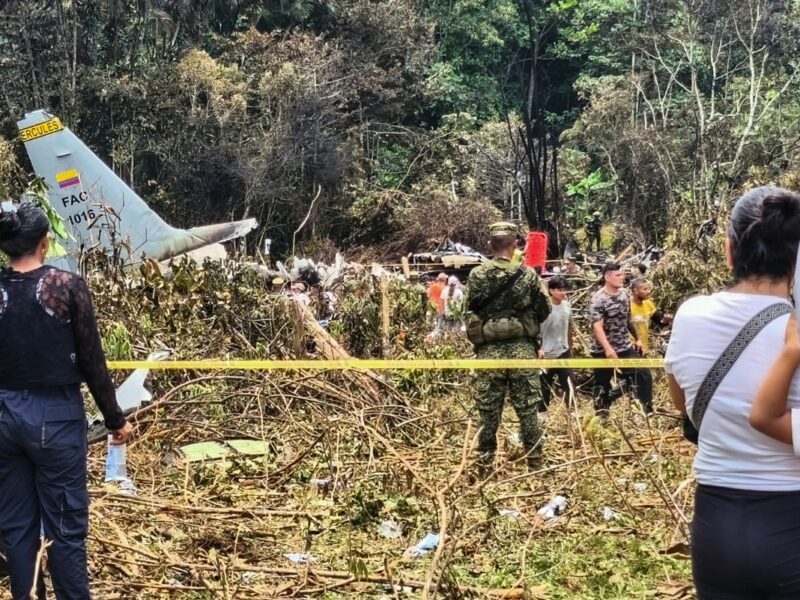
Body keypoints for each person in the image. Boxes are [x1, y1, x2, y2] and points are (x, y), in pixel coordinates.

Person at [665, 186, 800, 599]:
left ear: (729, 251)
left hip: (715, 523)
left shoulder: (690, 315)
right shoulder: (793, 332)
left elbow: (685, 407)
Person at [0, 201, 132, 599]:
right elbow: (92, 359)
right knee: (65, 529)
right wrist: (115, 418)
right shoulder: (65, 286)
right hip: (54, 418)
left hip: (3, 418)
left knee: (17, 528)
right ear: (44, 242)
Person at [466, 221, 550, 474]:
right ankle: (535, 464)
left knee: (488, 411)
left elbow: (468, 309)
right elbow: (544, 309)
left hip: (489, 351)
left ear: (491, 245)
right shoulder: (527, 275)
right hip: (522, 350)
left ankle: (484, 466)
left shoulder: (477, 274)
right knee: (528, 411)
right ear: (515, 245)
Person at [589, 263, 653, 415]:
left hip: (624, 346)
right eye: (618, 275)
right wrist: (607, 349)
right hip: (602, 349)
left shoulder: (624, 295)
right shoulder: (598, 299)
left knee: (643, 373)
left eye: (622, 274)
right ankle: (602, 414)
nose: (622, 278)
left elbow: (628, 319)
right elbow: (597, 327)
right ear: (607, 277)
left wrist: (637, 339)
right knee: (602, 383)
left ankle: (646, 409)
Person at [537, 276, 575, 409]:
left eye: (565, 290)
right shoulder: (542, 307)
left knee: (569, 383)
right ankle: (543, 413)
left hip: (563, 351)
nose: (563, 293)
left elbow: (570, 328)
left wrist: (570, 347)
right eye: (560, 290)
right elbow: (534, 330)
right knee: (544, 387)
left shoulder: (567, 306)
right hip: (545, 354)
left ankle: (571, 412)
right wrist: (538, 348)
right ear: (551, 290)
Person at [630, 278, 672, 354]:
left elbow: (659, 320)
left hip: (643, 349)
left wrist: (666, 319)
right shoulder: (627, 305)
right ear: (635, 291)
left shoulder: (648, 303)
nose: (649, 292)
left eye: (649, 289)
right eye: (645, 289)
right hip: (630, 348)